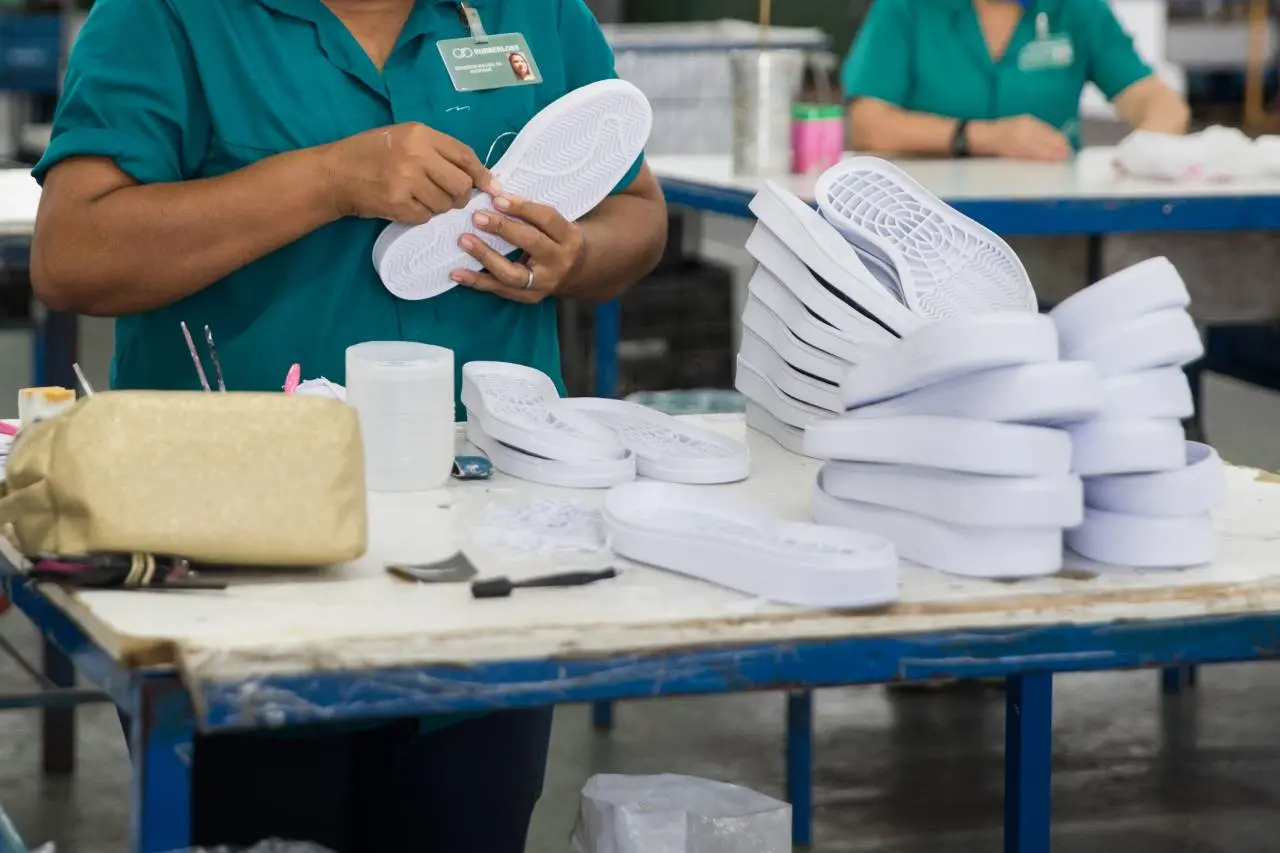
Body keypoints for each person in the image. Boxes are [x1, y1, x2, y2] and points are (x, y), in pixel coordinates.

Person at [28, 0, 667, 850]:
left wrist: (575, 255)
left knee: (465, 817)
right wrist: (328, 181)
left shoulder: (536, 13)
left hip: (488, 558)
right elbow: (73, 254)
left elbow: (639, 213)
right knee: (260, 818)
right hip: (236, 556)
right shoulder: (163, 18)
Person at [842, 0, 1190, 161]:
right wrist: (983, 137)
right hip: (921, 216)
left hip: (1053, 217)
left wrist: (1146, 149)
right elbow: (868, 125)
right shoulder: (906, 8)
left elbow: (1156, 101)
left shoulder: (1078, 10)